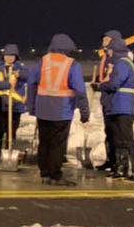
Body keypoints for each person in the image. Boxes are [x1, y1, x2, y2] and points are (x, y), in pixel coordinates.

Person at [25, 33, 90, 185]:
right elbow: (80, 90)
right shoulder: (72, 64)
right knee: (57, 144)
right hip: (62, 110)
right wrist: (84, 111)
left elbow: (32, 84)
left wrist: (32, 106)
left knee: (45, 142)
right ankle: (55, 175)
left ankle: (45, 173)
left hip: (43, 109)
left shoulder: (42, 61)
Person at [93, 31, 134, 181]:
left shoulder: (123, 63)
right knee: (118, 139)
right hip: (116, 105)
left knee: (126, 139)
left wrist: (100, 86)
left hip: (124, 106)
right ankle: (121, 169)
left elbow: (114, 83)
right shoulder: (117, 62)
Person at [0, 43, 27, 166]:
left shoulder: (20, 68)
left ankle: (9, 155)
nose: (9, 58)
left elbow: (29, 77)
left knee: (11, 132)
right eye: (6, 55)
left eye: (12, 55)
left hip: (15, 106)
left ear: (16, 57)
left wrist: (20, 75)